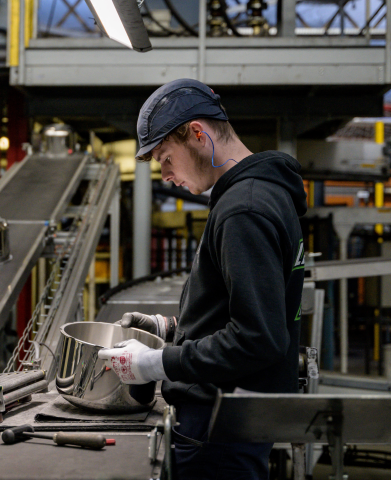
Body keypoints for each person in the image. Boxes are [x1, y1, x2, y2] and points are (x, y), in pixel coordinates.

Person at [98, 78, 308, 480]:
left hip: (218, 428)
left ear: (197, 134)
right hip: (234, 419)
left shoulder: (242, 210)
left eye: (165, 158)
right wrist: (172, 329)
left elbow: (257, 338)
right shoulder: (263, 195)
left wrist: (157, 363)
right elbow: (248, 310)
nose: (166, 175)